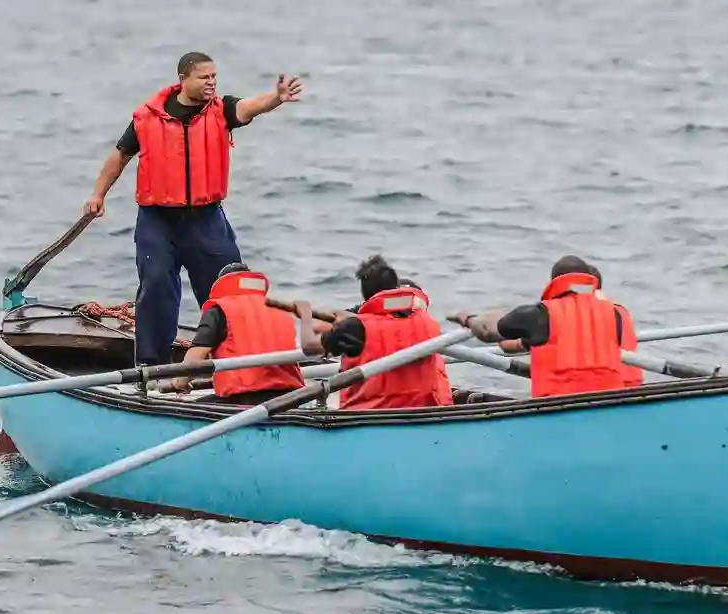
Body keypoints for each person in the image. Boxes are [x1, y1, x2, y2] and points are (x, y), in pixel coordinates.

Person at [84, 52, 303, 367]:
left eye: (214, 77)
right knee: (156, 284)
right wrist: (98, 195)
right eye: (204, 77)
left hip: (206, 220)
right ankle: (151, 366)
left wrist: (277, 98)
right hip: (158, 221)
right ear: (183, 79)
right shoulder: (147, 117)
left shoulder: (221, 110)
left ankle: (240, 360)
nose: (212, 83)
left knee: (230, 288)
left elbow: (250, 106)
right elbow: (119, 156)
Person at [454, 257, 642, 398]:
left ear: (554, 283)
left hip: (557, 407)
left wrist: (469, 319)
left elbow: (486, 332)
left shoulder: (540, 315)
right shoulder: (615, 314)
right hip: (610, 403)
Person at [294, 255, 452, 410]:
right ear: (396, 288)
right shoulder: (425, 321)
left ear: (364, 294)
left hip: (367, 417)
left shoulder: (355, 328)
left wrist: (305, 316)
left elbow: (309, 346)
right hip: (420, 413)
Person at [173, 264, 304, 403]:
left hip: (245, 398)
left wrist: (180, 381)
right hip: (290, 397)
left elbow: (196, 357)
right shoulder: (280, 310)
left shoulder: (219, 309)